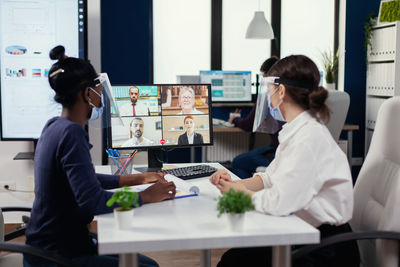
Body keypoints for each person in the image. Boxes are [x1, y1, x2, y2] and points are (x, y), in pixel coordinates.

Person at [24, 46, 176, 267]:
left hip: (51, 246)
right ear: (87, 93)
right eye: (97, 87)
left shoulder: (53, 126)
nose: (100, 94)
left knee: (145, 263)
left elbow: (85, 180)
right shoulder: (72, 133)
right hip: (57, 256)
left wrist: (138, 179)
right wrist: (146, 197)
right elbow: (93, 201)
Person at [210, 55, 359, 267]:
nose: (268, 95)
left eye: (269, 88)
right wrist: (236, 184)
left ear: (281, 91)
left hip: (324, 249)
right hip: (302, 231)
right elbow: (270, 177)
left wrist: (239, 194)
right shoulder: (296, 131)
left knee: (235, 262)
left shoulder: (308, 138)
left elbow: (279, 203)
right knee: (234, 258)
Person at [228, 56, 282, 178]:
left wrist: (234, 119)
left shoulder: (268, 95)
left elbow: (248, 125)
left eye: (263, 76)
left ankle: (249, 195)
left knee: (238, 162)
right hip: (280, 149)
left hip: (279, 153)